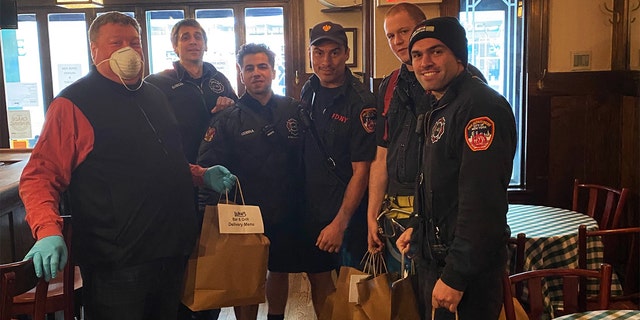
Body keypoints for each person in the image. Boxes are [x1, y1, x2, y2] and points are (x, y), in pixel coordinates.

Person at [18, 11, 235, 320]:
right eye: (115, 42)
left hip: (173, 248)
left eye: (134, 42)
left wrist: (201, 176)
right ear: (95, 50)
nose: (128, 49)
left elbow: (163, 162)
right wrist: (47, 231)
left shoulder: (155, 96)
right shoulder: (72, 103)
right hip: (118, 262)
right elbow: (39, 176)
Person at [395, 17, 516, 320]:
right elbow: (435, 181)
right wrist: (416, 224)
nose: (425, 62)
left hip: (466, 270)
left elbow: (482, 202)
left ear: (459, 56)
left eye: (436, 52)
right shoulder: (437, 103)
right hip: (434, 259)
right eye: (417, 55)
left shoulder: (480, 107)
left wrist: (455, 276)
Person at [368, 3, 489, 274]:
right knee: (401, 303)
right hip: (396, 213)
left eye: (404, 31)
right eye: (391, 35)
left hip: (443, 215)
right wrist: (371, 213)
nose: (398, 41)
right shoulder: (388, 86)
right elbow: (381, 154)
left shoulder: (466, 86)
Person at [197, 43, 303, 320]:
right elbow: (208, 167)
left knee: (280, 270)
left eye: (262, 66)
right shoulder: (226, 118)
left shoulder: (294, 110)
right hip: (244, 212)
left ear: (273, 70)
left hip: (287, 209)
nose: (257, 73)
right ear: (241, 74)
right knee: (247, 274)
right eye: (250, 68)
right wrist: (208, 214)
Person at [144, 18, 238, 320]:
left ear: (206, 44)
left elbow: (239, 121)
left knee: (214, 249)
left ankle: (210, 311)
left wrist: (229, 108)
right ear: (175, 46)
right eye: (185, 37)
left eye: (198, 36)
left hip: (217, 180)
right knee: (182, 251)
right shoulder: (157, 83)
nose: (193, 41)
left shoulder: (219, 79)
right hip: (178, 180)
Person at [298, 21, 376, 316]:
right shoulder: (309, 89)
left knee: (353, 289)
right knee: (318, 280)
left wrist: (339, 224)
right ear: (310, 55)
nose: (326, 62)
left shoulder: (362, 102)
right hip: (313, 210)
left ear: (346, 54)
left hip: (349, 217)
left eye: (334, 53)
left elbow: (363, 172)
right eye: (318, 53)